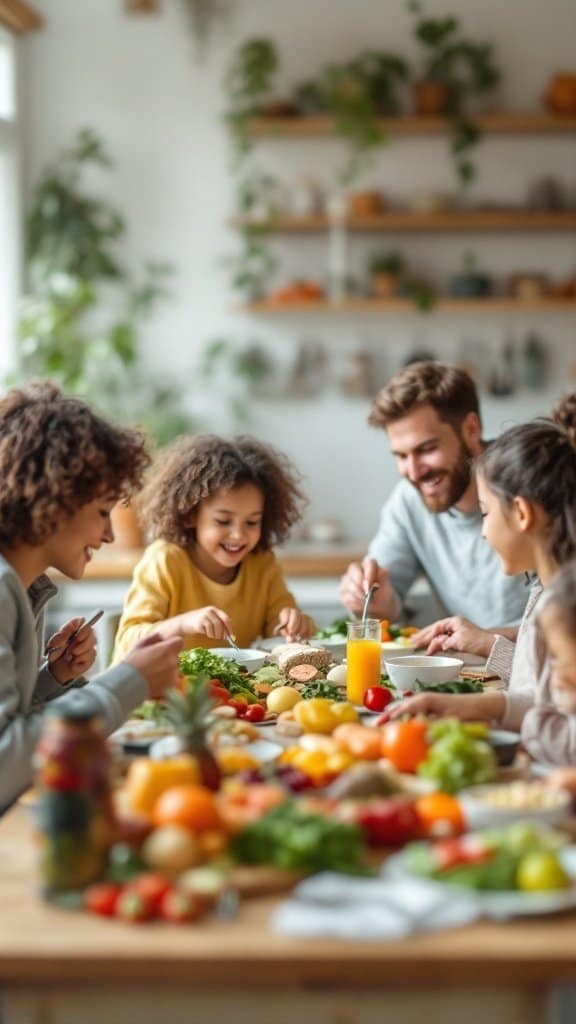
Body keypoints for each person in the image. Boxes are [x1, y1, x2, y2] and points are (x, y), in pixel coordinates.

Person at [0, 381, 183, 812]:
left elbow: (13, 724)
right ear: (56, 499)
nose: (109, 534)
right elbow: (6, 759)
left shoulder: (23, 588)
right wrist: (126, 683)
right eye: (103, 511)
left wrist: (53, 678)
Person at [390, 396, 576, 752]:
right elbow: (536, 690)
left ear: (521, 514)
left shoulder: (564, 605)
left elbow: (553, 721)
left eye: (486, 512)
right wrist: (466, 704)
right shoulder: (543, 590)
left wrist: (511, 722)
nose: (483, 531)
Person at [339, 361, 527, 676]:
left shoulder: (535, 484)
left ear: (470, 429)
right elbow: (387, 600)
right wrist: (374, 601)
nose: (413, 472)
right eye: (400, 456)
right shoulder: (408, 501)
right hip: (469, 678)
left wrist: (488, 639)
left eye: (426, 449)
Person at [113, 434, 315, 659]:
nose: (238, 535)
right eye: (223, 521)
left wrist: (292, 624)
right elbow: (127, 644)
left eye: (252, 522)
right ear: (191, 515)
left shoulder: (262, 562)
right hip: (162, 691)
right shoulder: (165, 560)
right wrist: (182, 624)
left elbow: (279, 626)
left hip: (229, 692)